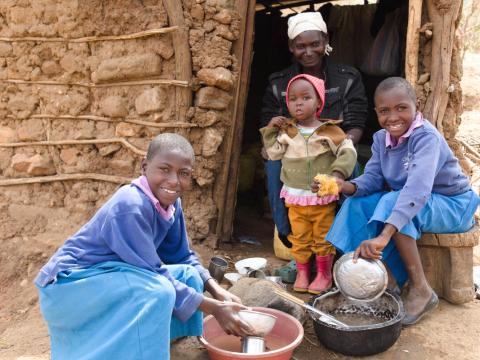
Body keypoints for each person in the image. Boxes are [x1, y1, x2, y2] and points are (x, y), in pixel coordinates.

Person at [35, 133, 253, 360]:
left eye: (184, 174)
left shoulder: (171, 204)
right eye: (165, 169)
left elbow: (183, 257)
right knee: (159, 291)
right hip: (68, 287)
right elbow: (153, 274)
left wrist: (218, 291)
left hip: (109, 277)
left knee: (189, 276)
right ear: (144, 167)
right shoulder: (130, 206)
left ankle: (161, 343)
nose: (174, 181)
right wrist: (216, 309)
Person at [319, 77, 480, 325]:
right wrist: (345, 186)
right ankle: (387, 280)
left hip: (454, 205)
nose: (393, 117)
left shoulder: (426, 137)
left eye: (401, 108)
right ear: (377, 113)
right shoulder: (380, 140)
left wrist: (383, 237)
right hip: (416, 203)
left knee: (394, 199)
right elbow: (372, 178)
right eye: (384, 111)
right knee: (355, 204)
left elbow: (416, 190)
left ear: (417, 107)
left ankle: (421, 288)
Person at [260, 12, 368, 249]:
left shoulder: (347, 78)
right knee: (273, 165)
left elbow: (356, 123)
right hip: (293, 154)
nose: (308, 52)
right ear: (291, 47)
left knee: (353, 167)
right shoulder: (279, 83)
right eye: (300, 46)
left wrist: (341, 151)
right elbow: (270, 123)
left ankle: (342, 245)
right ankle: (292, 243)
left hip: (335, 149)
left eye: (314, 44)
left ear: (326, 41)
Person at [260, 74, 357, 294]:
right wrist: (271, 129)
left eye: (306, 97)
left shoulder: (330, 131)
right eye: (293, 99)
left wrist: (336, 174)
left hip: (322, 199)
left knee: (323, 237)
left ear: (319, 102)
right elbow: (273, 155)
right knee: (300, 238)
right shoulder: (287, 132)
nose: (299, 103)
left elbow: (348, 151)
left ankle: (323, 275)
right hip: (295, 199)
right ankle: (303, 273)